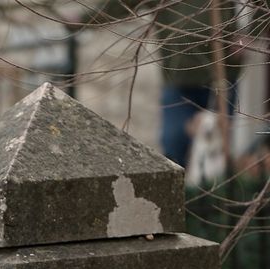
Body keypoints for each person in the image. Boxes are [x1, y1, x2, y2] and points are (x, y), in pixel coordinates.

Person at [67, 0, 243, 168]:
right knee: (173, 148)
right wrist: (84, 20)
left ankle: (216, 197)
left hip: (221, 80)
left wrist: (248, 37)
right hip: (178, 80)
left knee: (218, 153)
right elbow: (120, 5)